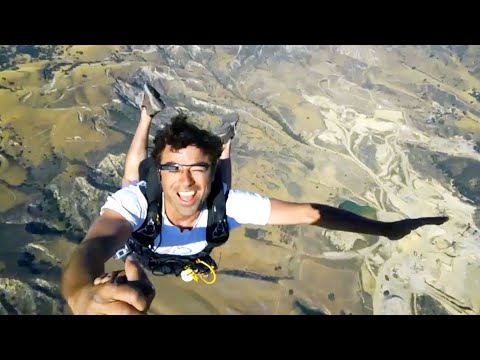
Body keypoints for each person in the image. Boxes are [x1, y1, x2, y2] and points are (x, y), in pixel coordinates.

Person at [61, 112, 449, 315]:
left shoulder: (223, 203)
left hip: (180, 253)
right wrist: (79, 294)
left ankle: (225, 145)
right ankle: (147, 116)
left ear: (209, 170)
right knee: (132, 185)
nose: (186, 182)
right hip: (146, 246)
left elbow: (312, 213)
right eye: (173, 169)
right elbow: (92, 248)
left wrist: (387, 229)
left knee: (223, 196)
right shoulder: (137, 203)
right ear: (160, 173)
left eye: (199, 168)